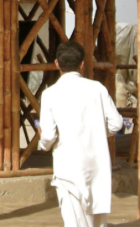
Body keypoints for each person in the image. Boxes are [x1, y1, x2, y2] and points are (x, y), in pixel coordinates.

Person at [38, 41, 123, 227]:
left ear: (56, 64)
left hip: (68, 168)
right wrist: (97, 131)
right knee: (98, 222)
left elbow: (48, 136)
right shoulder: (98, 89)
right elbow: (117, 124)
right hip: (97, 167)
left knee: (74, 222)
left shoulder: (50, 94)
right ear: (82, 64)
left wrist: (43, 143)